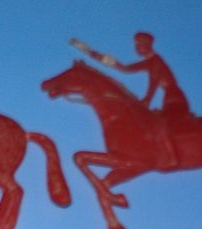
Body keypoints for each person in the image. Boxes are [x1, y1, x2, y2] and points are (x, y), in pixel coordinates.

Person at [80, 32, 191, 164]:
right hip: (168, 98)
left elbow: (154, 81)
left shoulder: (156, 61)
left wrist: (147, 99)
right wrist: (97, 56)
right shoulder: (149, 62)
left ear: (147, 46)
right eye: (136, 45)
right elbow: (126, 69)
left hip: (175, 98)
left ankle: (171, 157)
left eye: (139, 45)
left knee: (160, 124)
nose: (136, 48)